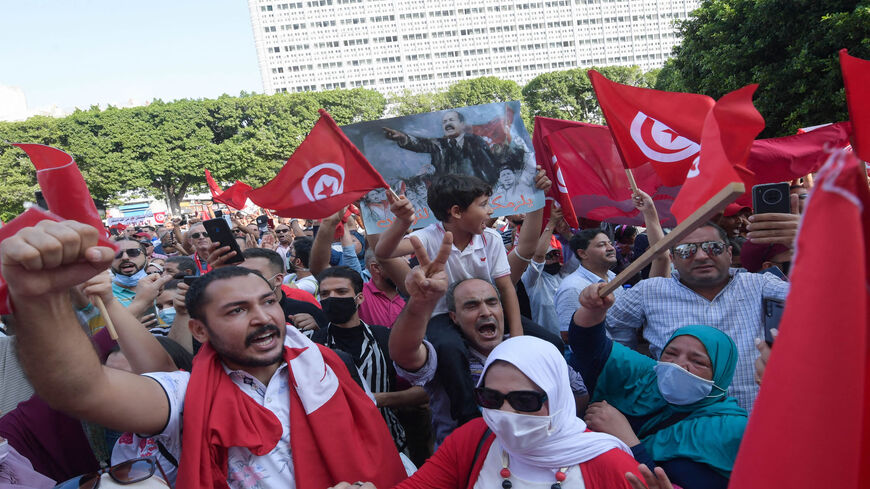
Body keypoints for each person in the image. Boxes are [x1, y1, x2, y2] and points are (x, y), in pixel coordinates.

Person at [3, 220, 407, 489]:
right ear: (198, 330)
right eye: (236, 310)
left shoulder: (327, 367)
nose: (262, 318)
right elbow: (80, 390)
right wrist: (39, 298)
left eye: (267, 302)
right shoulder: (185, 395)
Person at [339, 335, 640, 489]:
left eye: (524, 401)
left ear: (558, 398)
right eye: (491, 398)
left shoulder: (608, 463)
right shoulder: (475, 438)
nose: (505, 412)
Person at [389, 234, 584, 447]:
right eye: (471, 306)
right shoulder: (444, 356)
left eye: (492, 303)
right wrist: (419, 303)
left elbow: (579, 393)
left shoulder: (535, 350)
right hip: (469, 469)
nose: (485, 312)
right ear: (453, 317)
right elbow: (404, 354)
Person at [376, 174, 526, 430]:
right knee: (449, 350)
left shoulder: (491, 238)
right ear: (456, 211)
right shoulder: (428, 237)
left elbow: (506, 288)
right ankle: (467, 416)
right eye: (483, 205)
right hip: (442, 317)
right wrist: (402, 223)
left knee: (548, 342)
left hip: (487, 313)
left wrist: (519, 338)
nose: (491, 211)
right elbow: (383, 252)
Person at [571, 282, 748, 489]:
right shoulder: (648, 374)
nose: (678, 365)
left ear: (720, 374)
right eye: (671, 353)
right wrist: (593, 310)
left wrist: (628, 442)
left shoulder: (731, 430)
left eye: (697, 361)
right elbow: (590, 347)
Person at [603, 221, 791, 410]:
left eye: (713, 247)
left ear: (729, 253)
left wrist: (806, 243)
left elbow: (816, 300)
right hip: (679, 424)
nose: (701, 256)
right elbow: (612, 329)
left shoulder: (759, 285)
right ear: (673, 258)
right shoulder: (649, 291)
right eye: (687, 250)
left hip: (754, 418)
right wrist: (637, 370)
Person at [311, 266, 428, 452]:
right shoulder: (312, 344)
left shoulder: (386, 338)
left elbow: (424, 390)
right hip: (337, 447)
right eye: (325, 294)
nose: (332, 298)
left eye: (341, 291)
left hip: (389, 442)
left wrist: (378, 399)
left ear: (359, 298)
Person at [554, 190, 668, 339]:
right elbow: (568, 335)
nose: (610, 248)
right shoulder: (572, 287)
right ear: (582, 253)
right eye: (602, 245)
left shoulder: (613, 278)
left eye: (610, 243)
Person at [382, 110, 499, 183]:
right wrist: (402, 137)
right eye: (444, 122)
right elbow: (420, 144)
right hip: (447, 194)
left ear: (462, 124)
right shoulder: (438, 144)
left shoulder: (475, 142)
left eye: (451, 120)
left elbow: (489, 167)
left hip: (473, 191)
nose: (447, 124)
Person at [359, 249, 405, 328]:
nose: (407, 263)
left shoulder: (414, 294)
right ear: (376, 268)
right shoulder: (359, 294)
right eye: (398, 261)